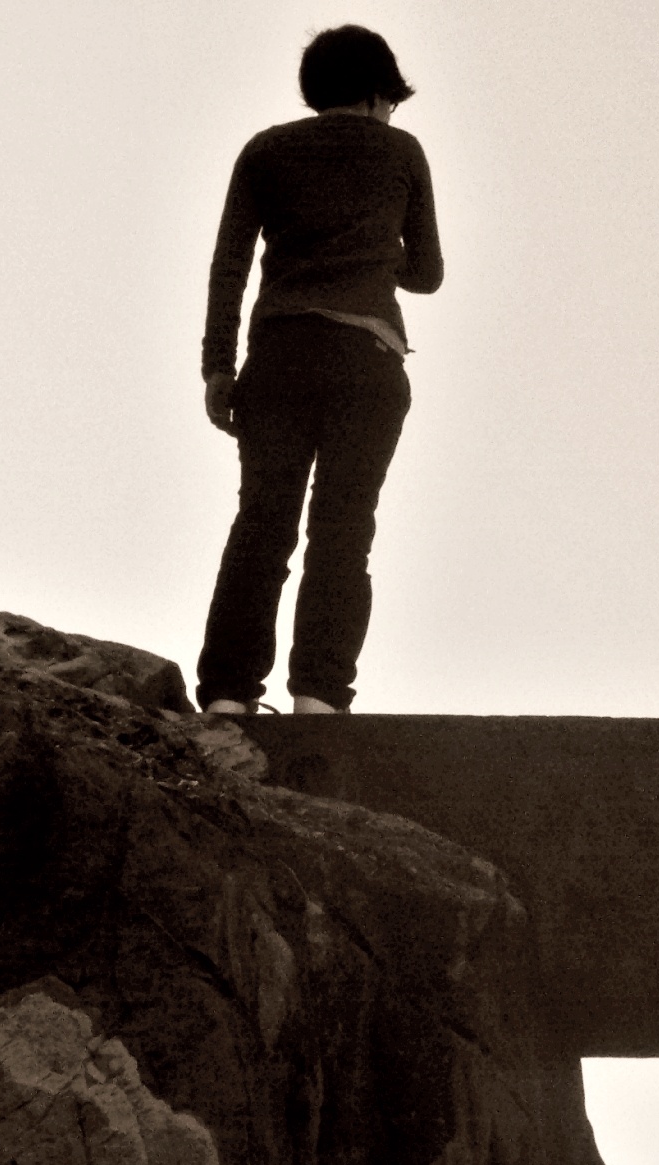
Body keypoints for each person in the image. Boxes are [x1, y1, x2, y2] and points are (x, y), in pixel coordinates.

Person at [195, 25, 442, 716]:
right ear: (376, 94)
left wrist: (217, 367)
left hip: (279, 357)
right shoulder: (402, 151)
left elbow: (229, 267)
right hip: (367, 358)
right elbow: (429, 272)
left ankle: (228, 697)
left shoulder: (266, 150)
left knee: (261, 525)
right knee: (343, 531)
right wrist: (374, 249)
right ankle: (320, 700)